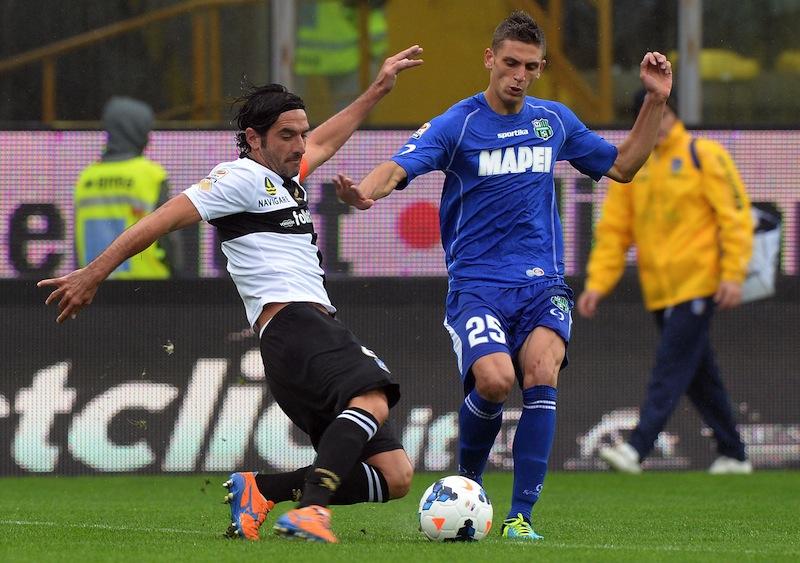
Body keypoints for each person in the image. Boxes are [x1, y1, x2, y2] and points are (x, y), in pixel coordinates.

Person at [38, 45, 424, 544]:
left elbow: (326, 141)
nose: (300, 145)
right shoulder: (239, 178)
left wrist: (376, 91)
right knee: (371, 397)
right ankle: (311, 511)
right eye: (287, 136)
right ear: (253, 139)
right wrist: (93, 273)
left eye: (301, 134)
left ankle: (260, 489)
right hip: (296, 326)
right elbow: (159, 220)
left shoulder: (285, 179)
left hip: (303, 335)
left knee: (394, 475)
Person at [333, 11, 672, 540]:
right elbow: (397, 167)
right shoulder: (459, 123)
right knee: (495, 380)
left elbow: (624, 166)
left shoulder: (553, 121)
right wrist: (365, 193)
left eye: (530, 66)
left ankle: (520, 518)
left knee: (541, 371)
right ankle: (466, 486)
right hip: (477, 286)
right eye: (510, 62)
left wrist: (654, 99)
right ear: (490, 59)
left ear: (539, 69)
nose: (518, 73)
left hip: (542, 284)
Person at [577, 89, 754, 475]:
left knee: (670, 367)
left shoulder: (702, 155)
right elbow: (613, 233)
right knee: (700, 375)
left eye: (662, 114)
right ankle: (734, 453)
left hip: (700, 283)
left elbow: (735, 218)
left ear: (672, 114)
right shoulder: (632, 163)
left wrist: (733, 274)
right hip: (660, 291)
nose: (658, 124)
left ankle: (637, 447)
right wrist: (597, 285)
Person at [74, 96, 181, 279]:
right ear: (137, 131)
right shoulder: (151, 175)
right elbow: (167, 236)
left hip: (97, 287)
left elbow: (78, 241)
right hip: (148, 287)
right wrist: (177, 274)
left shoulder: (87, 177)